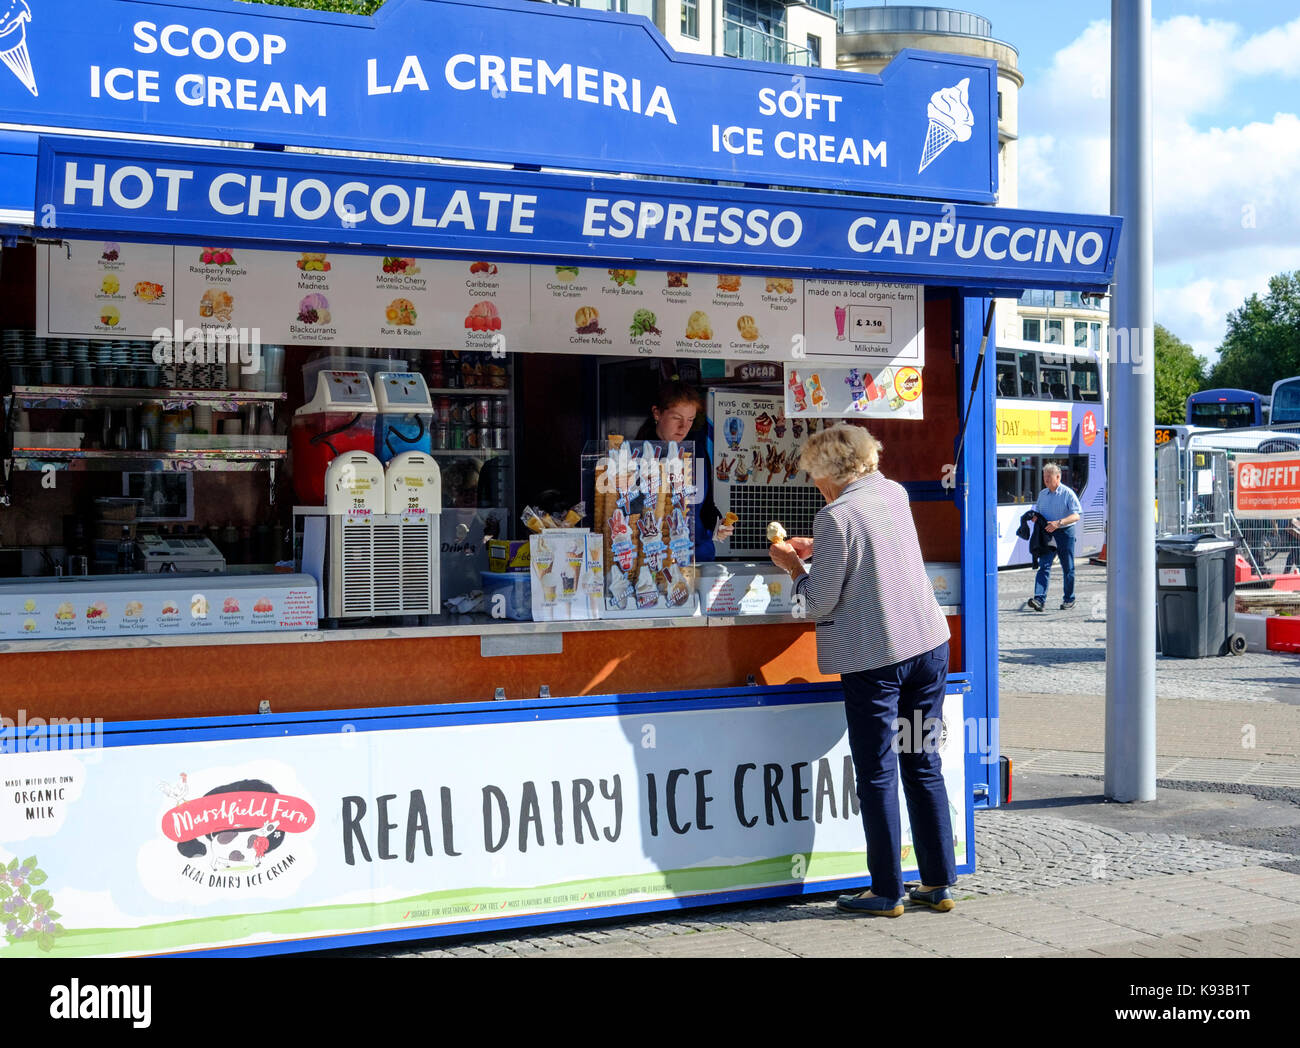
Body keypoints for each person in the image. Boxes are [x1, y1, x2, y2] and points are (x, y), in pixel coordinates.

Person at [767, 425, 957, 917]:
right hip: (929, 648)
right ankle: (937, 882)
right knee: (921, 759)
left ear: (832, 471)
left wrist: (793, 566)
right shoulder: (892, 493)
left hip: (878, 660)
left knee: (876, 772)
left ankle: (886, 891)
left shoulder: (836, 514)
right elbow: (872, 554)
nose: (816, 486)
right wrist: (821, 550)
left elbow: (820, 600)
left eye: (815, 476)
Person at [632, 381, 732, 560]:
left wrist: (718, 525)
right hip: (654, 556)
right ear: (657, 413)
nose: (683, 427)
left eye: (690, 420)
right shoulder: (637, 454)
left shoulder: (697, 452)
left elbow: (705, 505)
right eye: (676, 418)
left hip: (697, 554)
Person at [1025, 462, 1082, 612]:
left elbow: (1077, 515)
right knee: (1044, 566)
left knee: (1067, 567)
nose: (1046, 481)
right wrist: (1035, 518)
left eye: (1049, 477)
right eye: (1044, 478)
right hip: (1047, 534)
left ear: (1058, 477)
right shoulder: (1042, 494)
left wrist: (1059, 523)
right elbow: (1039, 513)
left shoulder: (1068, 493)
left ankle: (1069, 599)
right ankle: (1039, 599)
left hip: (1065, 533)